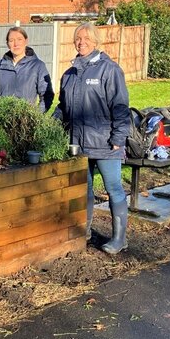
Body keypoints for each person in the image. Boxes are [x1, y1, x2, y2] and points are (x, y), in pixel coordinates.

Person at [52, 22, 131, 255]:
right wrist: (50, 126)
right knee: (84, 190)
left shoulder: (109, 69)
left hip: (106, 143)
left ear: (96, 41)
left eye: (86, 38)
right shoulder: (70, 74)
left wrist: (119, 137)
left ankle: (119, 239)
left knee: (114, 188)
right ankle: (83, 232)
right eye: (78, 38)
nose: (81, 41)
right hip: (78, 144)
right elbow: (63, 107)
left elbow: (120, 105)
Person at [0, 27, 54, 112]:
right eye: (11, 40)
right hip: (2, 120)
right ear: (7, 44)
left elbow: (47, 95)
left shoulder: (38, 66)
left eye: (19, 39)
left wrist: (35, 117)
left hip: (26, 122)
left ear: (26, 41)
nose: (16, 44)